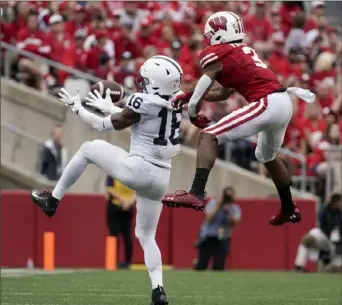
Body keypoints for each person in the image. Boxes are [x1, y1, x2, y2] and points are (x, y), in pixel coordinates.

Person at [31, 55, 184, 305]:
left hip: (139, 168)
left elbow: (104, 125)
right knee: (147, 236)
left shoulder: (143, 101)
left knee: (89, 148)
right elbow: (137, 118)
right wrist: (109, 107)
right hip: (160, 178)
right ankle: (158, 290)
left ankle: (53, 199)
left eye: (145, 80)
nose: (141, 83)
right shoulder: (174, 103)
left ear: (155, 83)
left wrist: (78, 108)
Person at [161, 11, 316, 226]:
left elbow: (205, 85)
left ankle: (196, 192)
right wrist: (188, 97)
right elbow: (223, 92)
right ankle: (289, 208)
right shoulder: (240, 51)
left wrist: (194, 112)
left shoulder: (217, 52)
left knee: (208, 135)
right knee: (266, 156)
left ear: (217, 33)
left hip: (267, 102)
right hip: (282, 102)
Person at [195, 186, 241, 271]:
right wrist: (219, 205)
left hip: (223, 237)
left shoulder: (234, 208)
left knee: (219, 264)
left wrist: (229, 211)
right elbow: (208, 218)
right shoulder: (213, 203)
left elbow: (235, 223)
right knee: (202, 264)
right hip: (208, 235)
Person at [294, 194, 342, 273]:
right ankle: (299, 266)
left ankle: (328, 266)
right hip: (324, 235)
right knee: (306, 241)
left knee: (335, 268)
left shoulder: (339, 213)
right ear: (336, 202)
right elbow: (322, 225)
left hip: (335, 242)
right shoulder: (326, 210)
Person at [106, 176, 136, 269]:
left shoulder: (134, 173)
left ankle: (127, 262)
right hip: (115, 206)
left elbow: (139, 190)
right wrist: (125, 201)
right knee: (114, 235)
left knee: (127, 235)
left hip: (127, 207)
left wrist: (129, 202)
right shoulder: (112, 172)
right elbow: (109, 189)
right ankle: (113, 261)